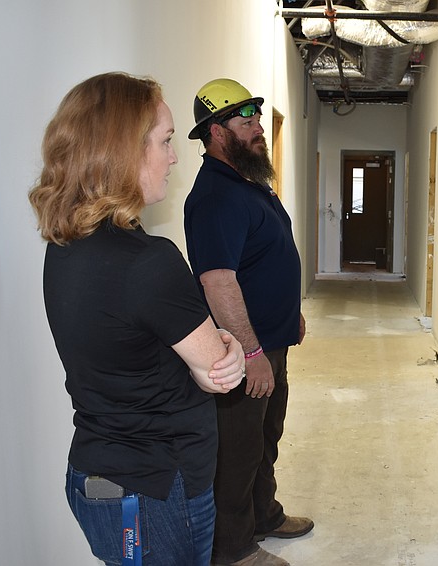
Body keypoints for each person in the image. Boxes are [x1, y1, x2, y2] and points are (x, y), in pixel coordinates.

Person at [28, 72, 247, 566]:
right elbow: (217, 372)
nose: (174, 157)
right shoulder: (150, 262)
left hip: (93, 477)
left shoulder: (64, 246)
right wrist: (227, 345)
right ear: (124, 151)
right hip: (156, 493)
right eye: (165, 141)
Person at [184, 78, 313, 566]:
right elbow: (218, 283)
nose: (259, 126)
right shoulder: (215, 196)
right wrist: (254, 354)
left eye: (257, 117)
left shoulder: (246, 182)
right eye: (246, 120)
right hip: (243, 353)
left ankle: (265, 515)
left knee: (266, 437)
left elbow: (264, 259)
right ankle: (233, 550)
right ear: (216, 131)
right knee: (237, 453)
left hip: (270, 341)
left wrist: (288, 314)